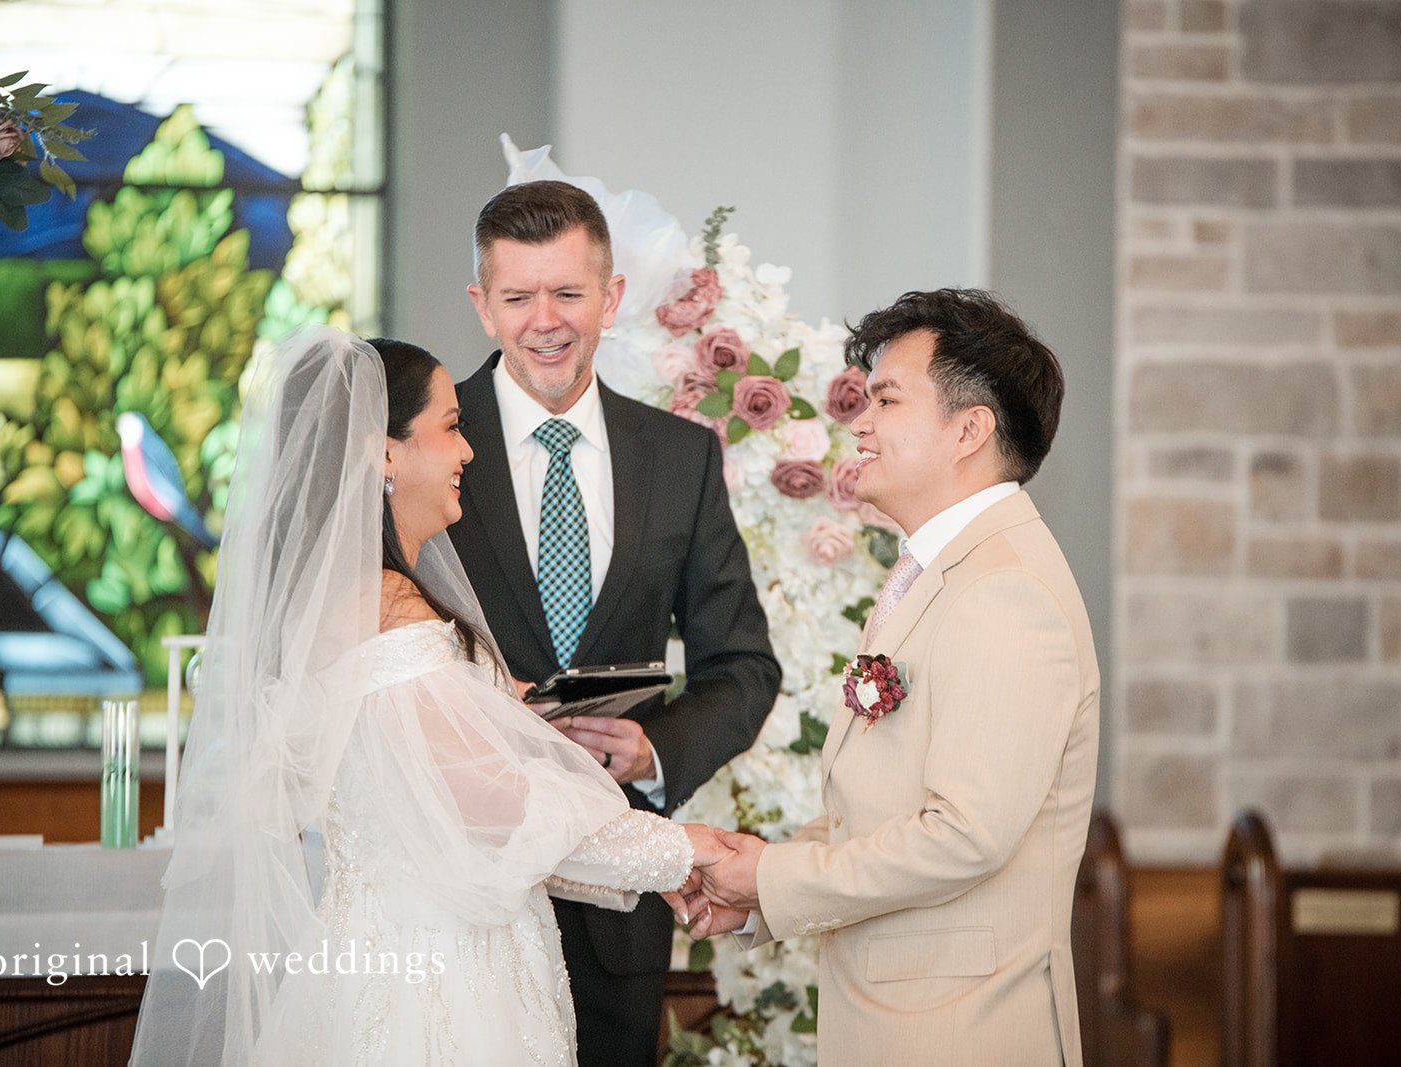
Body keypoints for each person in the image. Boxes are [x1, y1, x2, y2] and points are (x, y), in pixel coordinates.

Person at [130, 328, 730, 1065]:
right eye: (449, 428)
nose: (467, 452)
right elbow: (492, 806)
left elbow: (432, 807)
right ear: (384, 453)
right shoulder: (387, 609)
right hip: (432, 979)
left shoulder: (349, 605)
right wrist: (680, 849)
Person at [689, 289, 1100, 1067]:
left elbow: (965, 834)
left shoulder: (1005, 589)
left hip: (959, 1032)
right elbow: (881, 810)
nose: (860, 422)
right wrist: (755, 887)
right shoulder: (941, 569)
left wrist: (774, 876)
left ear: (969, 429)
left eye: (886, 399)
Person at [448, 179, 781, 1066]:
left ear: (611, 296)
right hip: (464, 892)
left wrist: (654, 750)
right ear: (482, 305)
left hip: (620, 912)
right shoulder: (427, 446)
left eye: (568, 292)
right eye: (517, 297)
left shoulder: (680, 456)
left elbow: (744, 666)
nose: (545, 321)